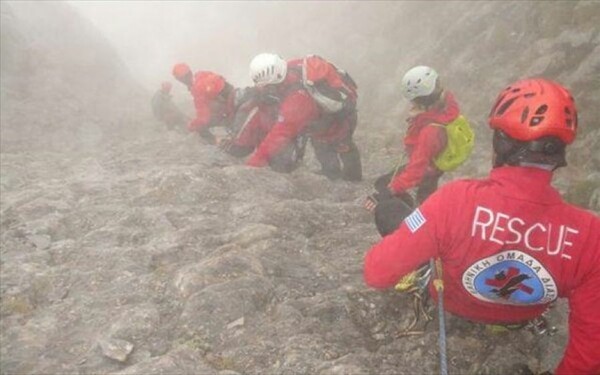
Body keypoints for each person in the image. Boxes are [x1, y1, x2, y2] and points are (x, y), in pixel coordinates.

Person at [363, 78, 600, 374]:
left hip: (453, 306)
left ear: (499, 142)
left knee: (390, 209)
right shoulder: (590, 236)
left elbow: (376, 271)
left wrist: (420, 230)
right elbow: (591, 349)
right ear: (558, 154)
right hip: (520, 319)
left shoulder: (452, 200)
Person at [241, 53, 362, 180]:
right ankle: (331, 174)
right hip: (327, 115)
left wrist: (255, 162)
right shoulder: (291, 67)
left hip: (340, 117)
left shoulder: (297, 98)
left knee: (340, 144)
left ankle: (352, 180)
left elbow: (280, 133)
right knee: (321, 144)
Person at [172, 62, 238, 144]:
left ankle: (218, 143)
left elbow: (204, 117)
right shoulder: (203, 75)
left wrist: (192, 125)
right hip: (234, 100)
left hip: (227, 110)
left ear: (181, 80)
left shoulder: (197, 89)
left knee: (200, 127)